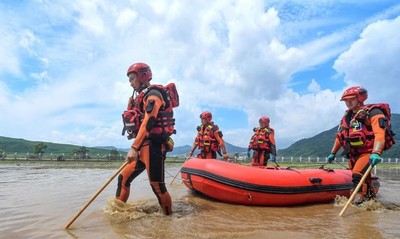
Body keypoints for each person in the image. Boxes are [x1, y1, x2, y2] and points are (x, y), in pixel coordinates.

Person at [116, 62, 178, 215]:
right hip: (142, 147)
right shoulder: (139, 98)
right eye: (129, 79)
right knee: (123, 179)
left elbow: (149, 122)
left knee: (157, 186)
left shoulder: (153, 94)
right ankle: (117, 215)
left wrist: (134, 147)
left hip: (153, 147)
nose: (130, 82)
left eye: (132, 78)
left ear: (143, 76)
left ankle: (169, 218)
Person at [327, 86, 392, 205]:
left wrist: (376, 152)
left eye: (351, 99)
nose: (348, 102)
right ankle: (371, 203)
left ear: (360, 98)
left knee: (357, 175)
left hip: (368, 152)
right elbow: (340, 137)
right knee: (364, 179)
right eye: (346, 100)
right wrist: (333, 152)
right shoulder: (346, 117)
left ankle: (362, 204)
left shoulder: (373, 113)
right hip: (353, 154)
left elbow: (379, 134)